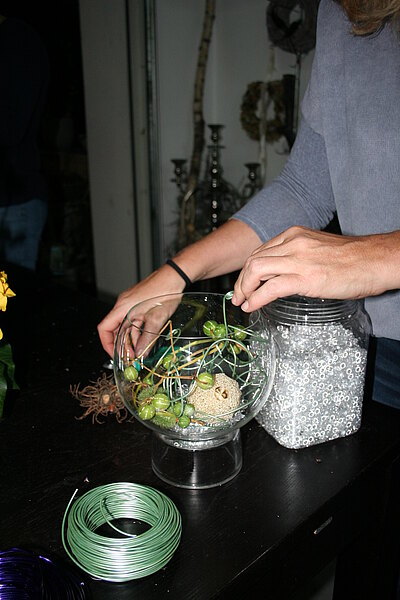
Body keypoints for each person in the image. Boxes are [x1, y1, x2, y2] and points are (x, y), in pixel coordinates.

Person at [98, 0, 400, 410]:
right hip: (370, 345)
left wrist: (374, 257)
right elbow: (304, 189)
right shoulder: (339, 12)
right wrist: (176, 274)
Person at [0, 14, 49, 270]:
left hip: (13, 204)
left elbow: (10, 128)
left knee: (8, 293)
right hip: (12, 202)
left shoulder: (16, 40)